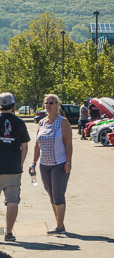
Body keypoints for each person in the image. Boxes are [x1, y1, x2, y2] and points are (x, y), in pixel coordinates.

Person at [32, 94, 73, 235]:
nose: (48, 105)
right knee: (51, 194)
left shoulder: (63, 122)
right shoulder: (42, 122)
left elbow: (68, 144)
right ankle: (58, 223)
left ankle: (60, 227)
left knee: (58, 194)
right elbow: (37, 145)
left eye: (51, 103)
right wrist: (33, 162)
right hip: (44, 164)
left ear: (57, 105)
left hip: (59, 163)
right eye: (46, 103)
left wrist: (68, 162)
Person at [0, 92, 30, 242]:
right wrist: (20, 164)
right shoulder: (19, 123)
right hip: (12, 168)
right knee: (12, 201)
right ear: (13, 106)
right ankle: (9, 232)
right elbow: (24, 147)